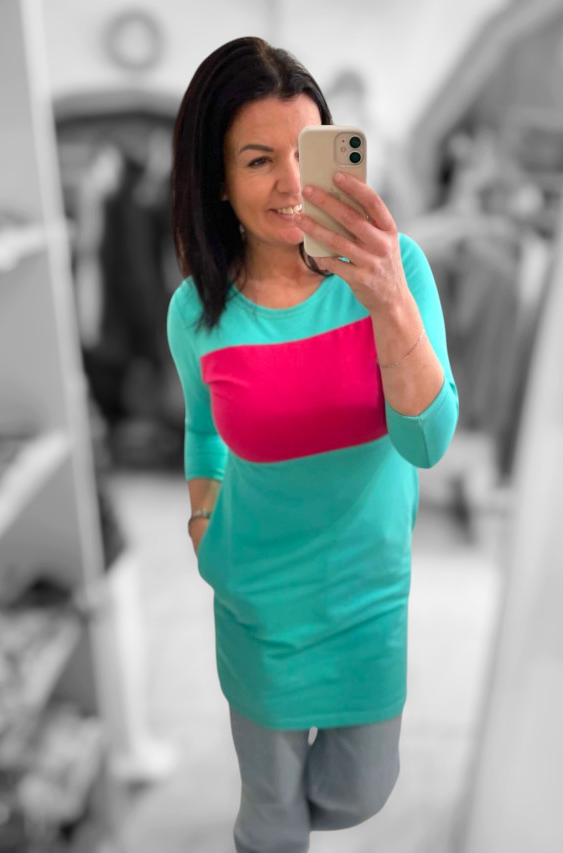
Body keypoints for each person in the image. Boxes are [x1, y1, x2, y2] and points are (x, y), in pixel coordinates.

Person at [167, 36, 459, 853]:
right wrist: (202, 516)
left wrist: (389, 301)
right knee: (273, 821)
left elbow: (429, 440)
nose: (293, 183)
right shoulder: (197, 312)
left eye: (307, 151)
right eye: (259, 160)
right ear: (218, 180)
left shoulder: (397, 268)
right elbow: (202, 424)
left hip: (368, 592)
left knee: (358, 792)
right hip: (257, 596)